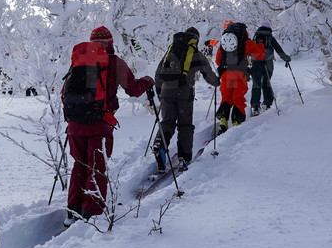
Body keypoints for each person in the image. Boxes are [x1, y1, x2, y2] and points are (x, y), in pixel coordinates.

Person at [64, 26, 153, 222]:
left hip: (74, 125)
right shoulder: (115, 63)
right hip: (99, 124)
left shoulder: (78, 62)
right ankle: (92, 212)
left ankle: (74, 208)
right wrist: (147, 81)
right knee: (97, 168)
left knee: (80, 166)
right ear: (111, 43)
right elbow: (133, 90)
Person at [153, 27, 219, 171]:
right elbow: (208, 75)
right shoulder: (196, 54)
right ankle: (184, 158)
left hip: (166, 91)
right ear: (196, 39)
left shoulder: (171, 51)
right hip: (184, 92)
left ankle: (159, 145)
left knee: (167, 122)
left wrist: (160, 92)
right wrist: (217, 82)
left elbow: (158, 72)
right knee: (185, 125)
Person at [215, 20, 264, 131]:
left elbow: (218, 61)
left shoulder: (223, 42)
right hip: (240, 74)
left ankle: (223, 119)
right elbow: (260, 55)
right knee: (238, 98)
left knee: (226, 97)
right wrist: (260, 44)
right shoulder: (246, 42)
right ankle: (237, 121)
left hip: (226, 74)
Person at [249, 23, 293, 115]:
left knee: (256, 84)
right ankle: (267, 103)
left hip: (256, 62)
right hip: (268, 62)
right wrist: (286, 58)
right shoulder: (270, 38)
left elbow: (249, 49)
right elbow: (278, 49)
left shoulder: (255, 37)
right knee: (266, 82)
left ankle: (255, 106)